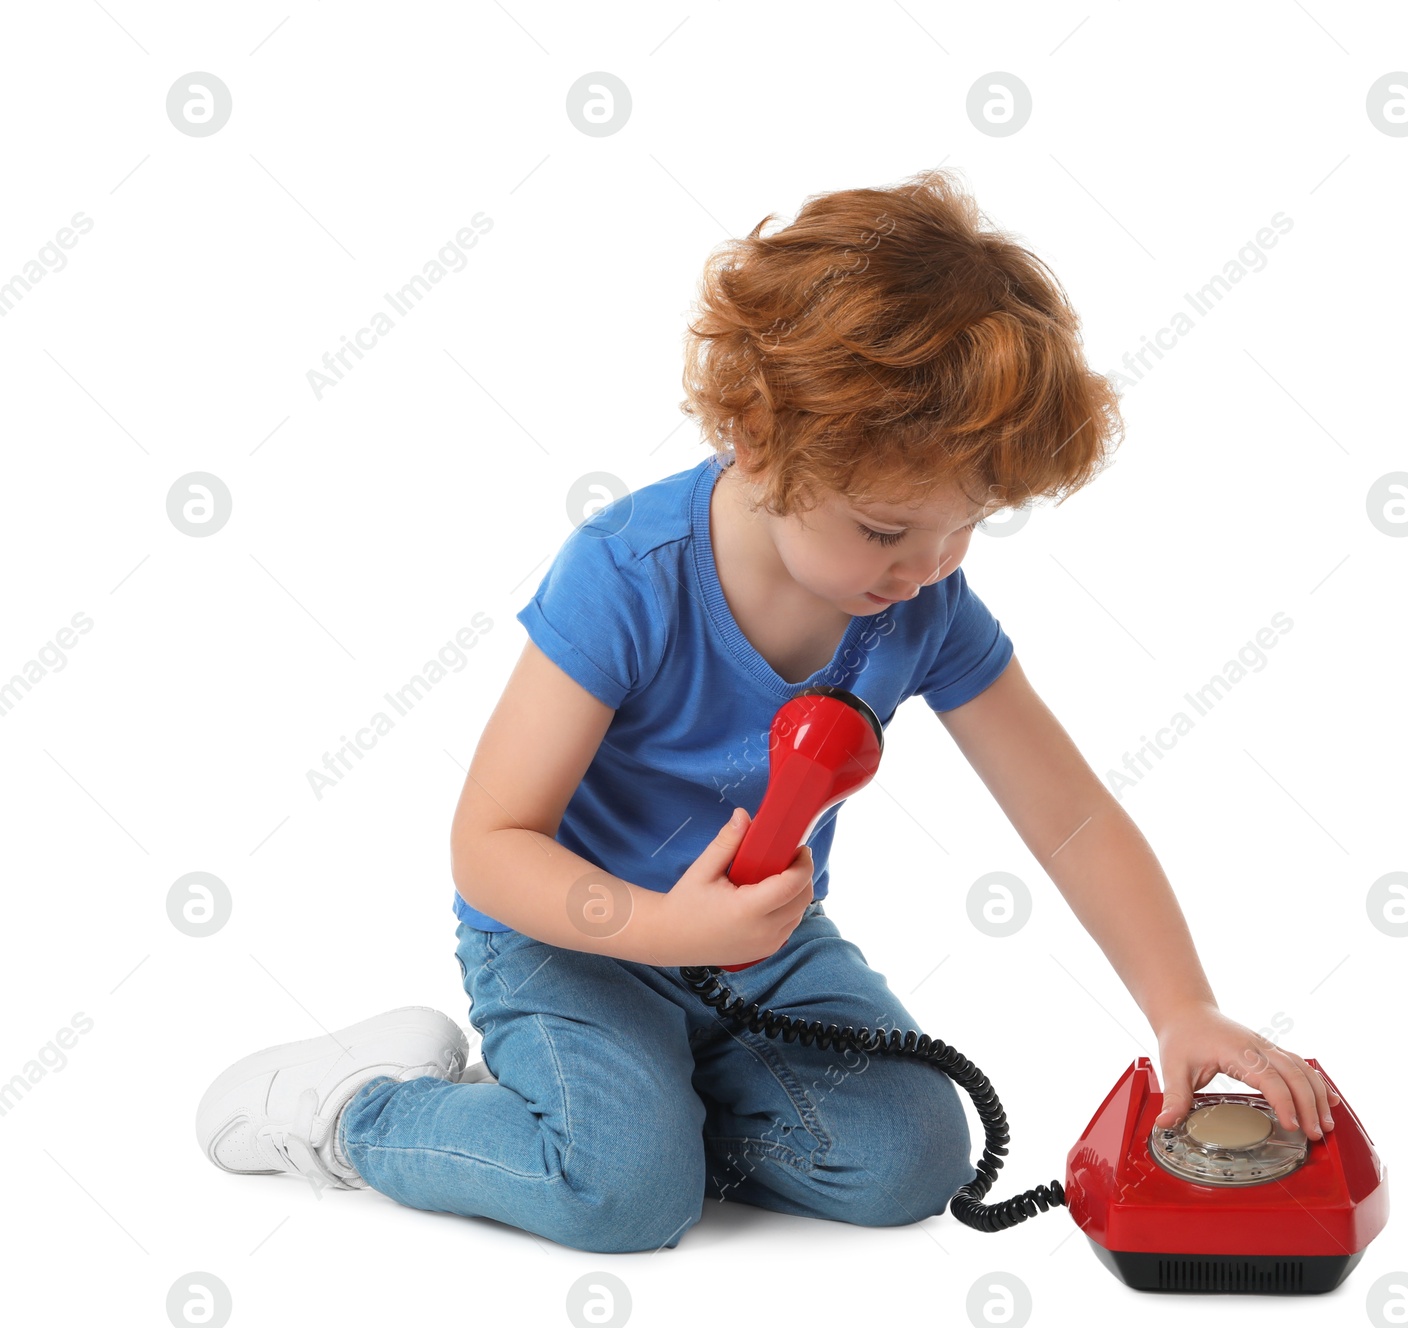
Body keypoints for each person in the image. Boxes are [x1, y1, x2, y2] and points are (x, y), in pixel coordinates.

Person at [195, 169, 1339, 1253]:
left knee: (912, 1158)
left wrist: (1181, 1005)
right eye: (888, 529)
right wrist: (658, 934)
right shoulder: (628, 571)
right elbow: (488, 848)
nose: (928, 566)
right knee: (624, 1197)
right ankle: (360, 1111)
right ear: (755, 439)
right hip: (572, 938)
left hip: (760, 950)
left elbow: (1071, 816)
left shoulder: (923, 603)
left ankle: (631, 1109)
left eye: (966, 525)